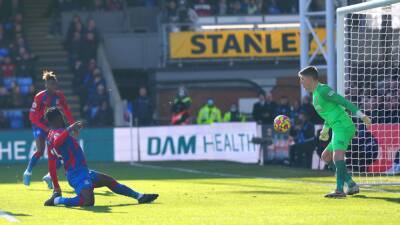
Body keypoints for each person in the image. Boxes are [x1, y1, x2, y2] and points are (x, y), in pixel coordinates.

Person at [43, 107, 158, 206]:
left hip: (82, 171)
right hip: (76, 174)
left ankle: (139, 196)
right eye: (61, 116)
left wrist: (56, 188)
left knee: (109, 180)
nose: (63, 118)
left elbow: (51, 165)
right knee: (88, 201)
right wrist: (70, 128)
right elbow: (58, 142)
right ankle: (59, 201)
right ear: (57, 118)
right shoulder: (58, 133)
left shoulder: (50, 137)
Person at [298, 66, 371, 198]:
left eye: (302, 79)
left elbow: (343, 102)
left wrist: (361, 115)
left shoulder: (323, 90)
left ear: (310, 78)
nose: (301, 82)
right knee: (325, 157)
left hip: (343, 126)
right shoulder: (315, 94)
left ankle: (339, 190)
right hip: (336, 127)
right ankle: (350, 183)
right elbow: (329, 114)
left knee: (338, 156)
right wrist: (325, 130)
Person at [23, 70, 75, 189]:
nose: (54, 87)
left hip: (51, 126)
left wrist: (72, 125)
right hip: (38, 125)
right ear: (46, 85)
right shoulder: (40, 97)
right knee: (40, 151)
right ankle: (28, 172)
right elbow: (32, 117)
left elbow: (66, 110)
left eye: (55, 84)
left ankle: (49, 177)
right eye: (51, 84)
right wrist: (44, 128)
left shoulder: (59, 96)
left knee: (60, 152)